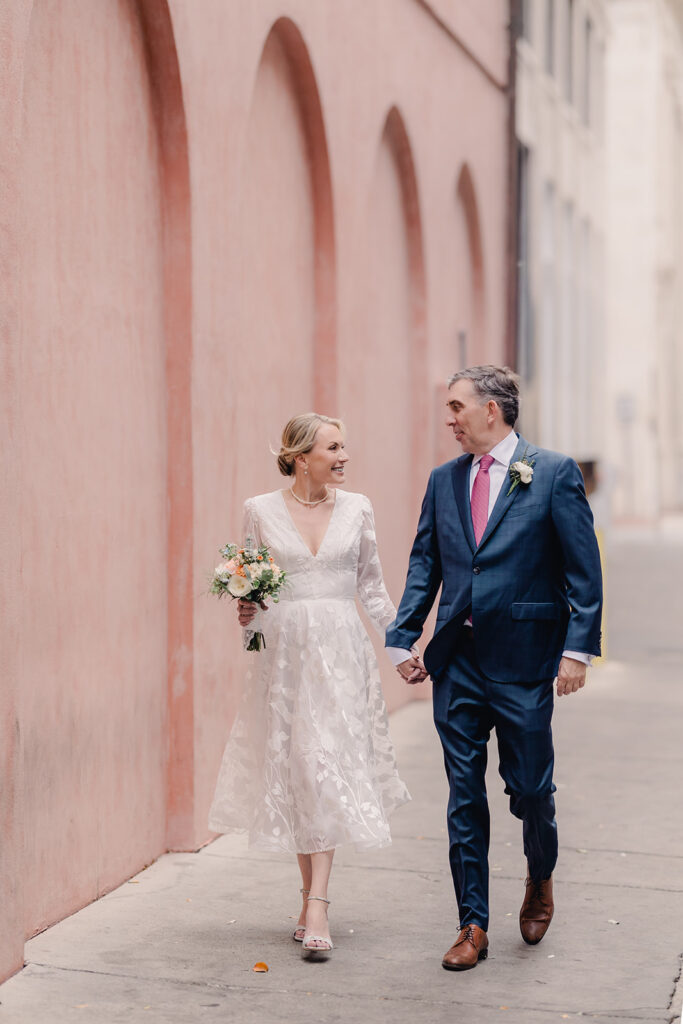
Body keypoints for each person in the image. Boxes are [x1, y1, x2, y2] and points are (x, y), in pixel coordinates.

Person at [386, 365, 602, 971]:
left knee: (531, 790)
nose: (448, 419)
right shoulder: (443, 480)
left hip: (526, 660)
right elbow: (426, 562)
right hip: (456, 663)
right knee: (462, 794)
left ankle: (540, 876)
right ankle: (472, 923)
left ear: (492, 410)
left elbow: (583, 571)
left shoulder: (552, 473)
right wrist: (403, 637)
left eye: (456, 406)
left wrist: (576, 651)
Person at [209, 413, 410, 959]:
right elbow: (253, 596)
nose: (344, 457)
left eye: (345, 446)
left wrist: (402, 650)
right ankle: (309, 895)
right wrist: (247, 612)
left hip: (342, 653)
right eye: (334, 448)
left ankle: (318, 903)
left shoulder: (359, 507)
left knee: (327, 767)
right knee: (301, 770)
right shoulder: (260, 510)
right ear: (302, 458)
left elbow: (372, 589)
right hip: (286, 655)